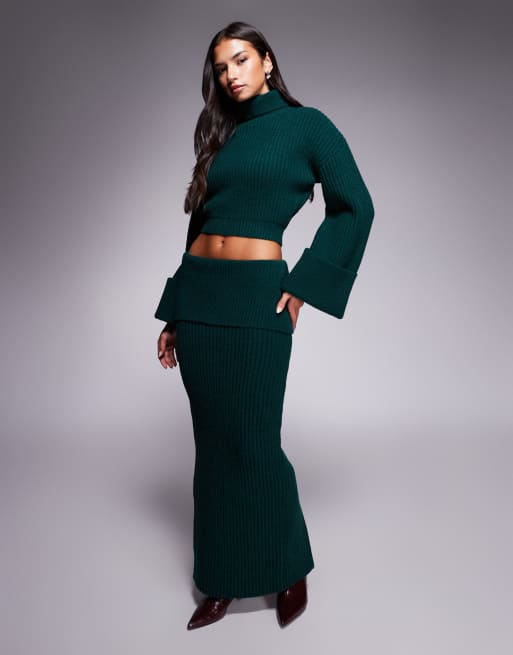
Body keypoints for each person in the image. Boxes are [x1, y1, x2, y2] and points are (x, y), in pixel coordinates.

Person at [154, 21, 375, 630]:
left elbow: (356, 206)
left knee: (254, 442)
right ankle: (221, 577)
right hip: (201, 299)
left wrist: (304, 286)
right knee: (213, 445)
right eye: (221, 67)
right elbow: (198, 230)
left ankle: (287, 567)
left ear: (268, 61)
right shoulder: (222, 137)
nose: (231, 74)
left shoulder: (308, 127)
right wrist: (174, 312)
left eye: (241, 59)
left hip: (257, 301)